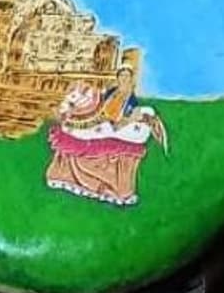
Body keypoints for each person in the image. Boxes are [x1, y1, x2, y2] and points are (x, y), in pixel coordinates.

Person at [45, 63, 167, 206]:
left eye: (126, 77)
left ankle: (104, 182)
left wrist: (118, 122)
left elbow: (125, 117)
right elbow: (103, 104)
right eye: (121, 76)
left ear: (130, 79)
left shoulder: (130, 99)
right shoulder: (112, 91)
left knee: (94, 135)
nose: (123, 79)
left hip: (116, 125)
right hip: (104, 120)